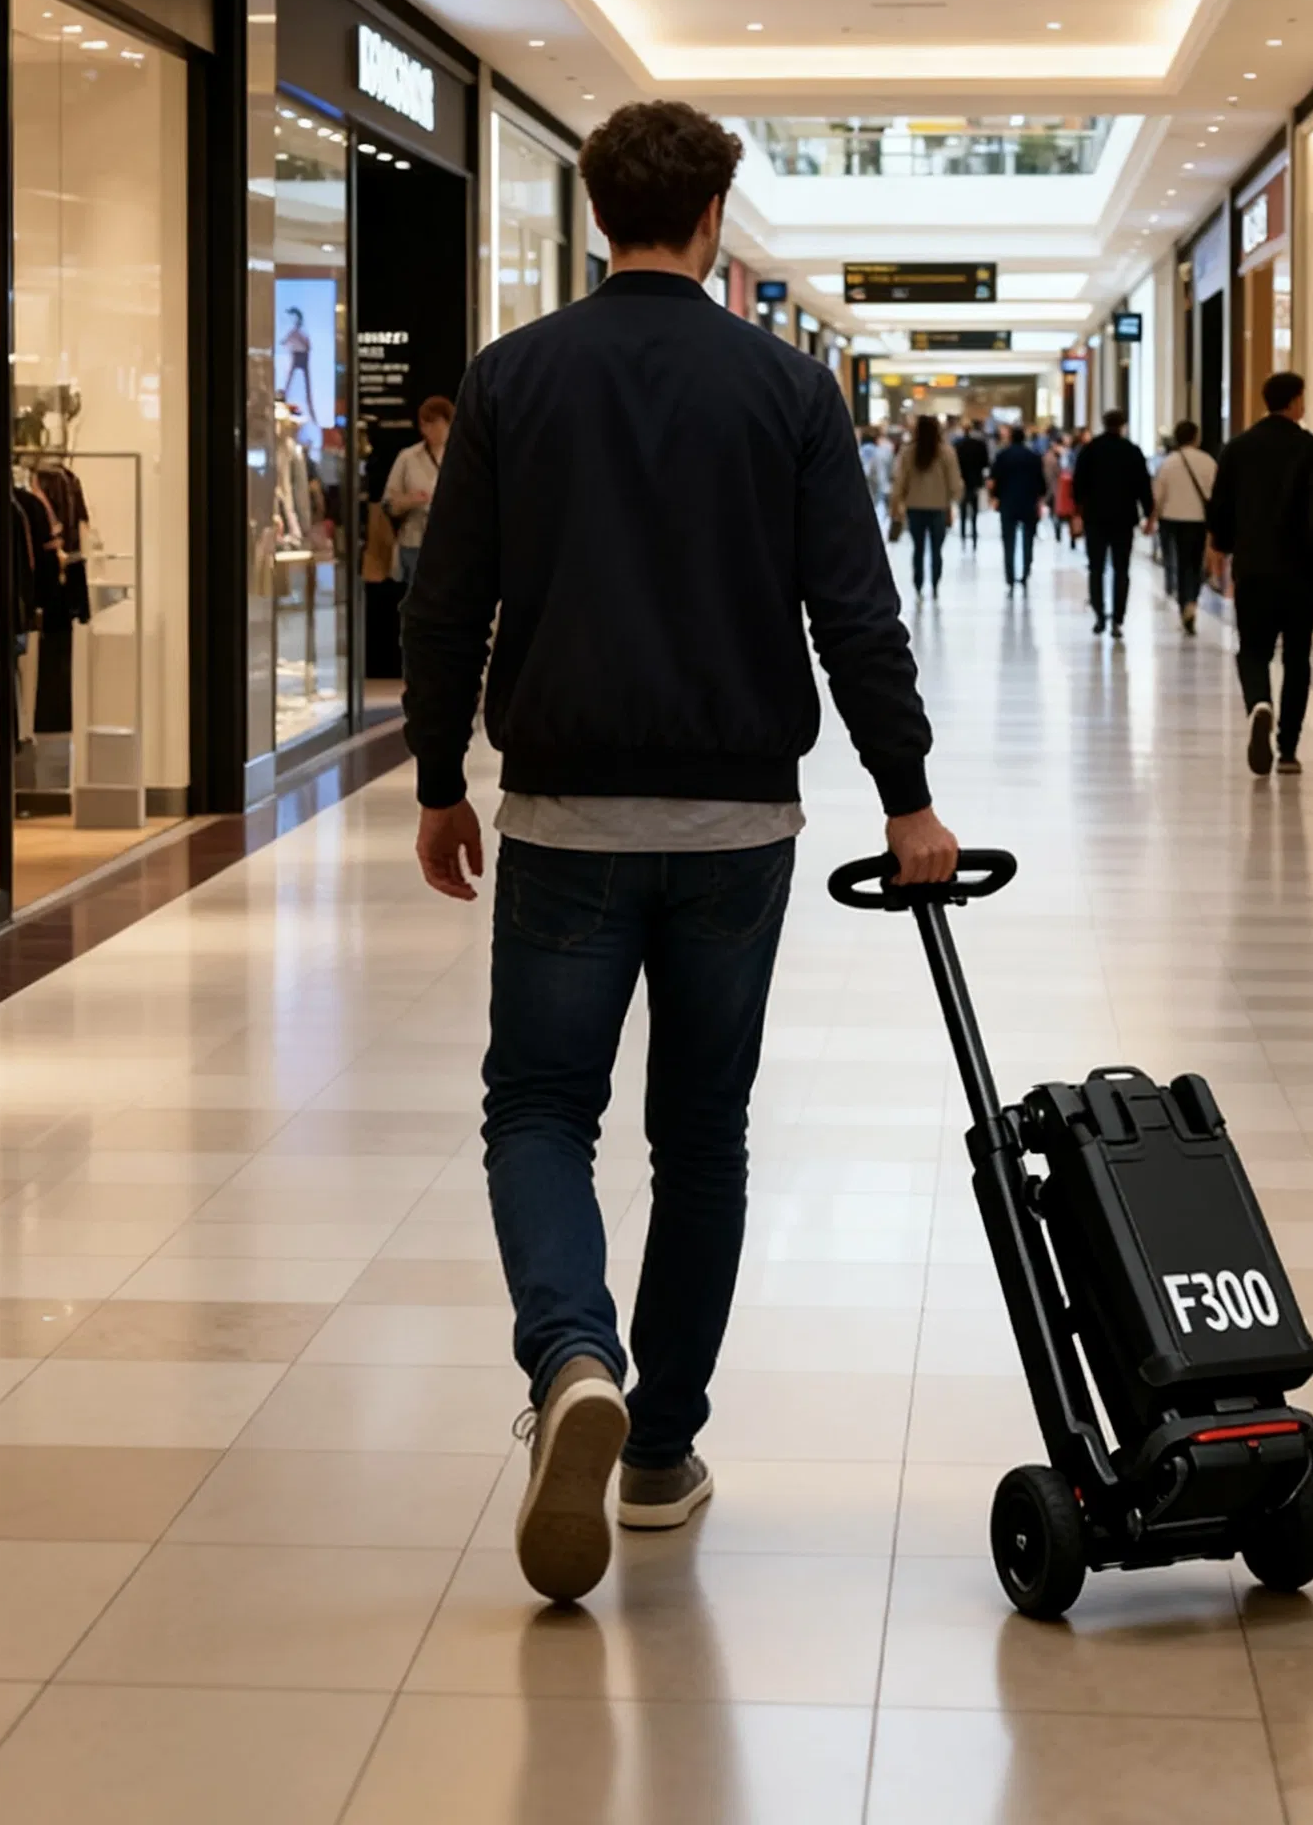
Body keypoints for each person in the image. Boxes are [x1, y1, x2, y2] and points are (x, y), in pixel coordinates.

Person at [400, 99, 959, 1606]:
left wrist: (441, 779)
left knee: (539, 1109)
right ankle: (657, 1452)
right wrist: (907, 796)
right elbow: (854, 610)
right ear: (714, 218)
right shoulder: (786, 388)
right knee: (702, 1138)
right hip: (735, 826)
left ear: (599, 216)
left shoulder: (511, 378)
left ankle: (573, 1355)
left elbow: (446, 605)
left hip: (565, 817)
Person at [1206, 371, 1313, 777]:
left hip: (1254, 568)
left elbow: (1220, 506)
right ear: (1295, 402)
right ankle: (1288, 749)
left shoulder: (1238, 448)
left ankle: (1259, 702)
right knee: (1297, 657)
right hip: (1302, 571)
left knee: (1253, 650)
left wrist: (1221, 547)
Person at [1070, 409, 1155, 639]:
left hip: (1095, 518)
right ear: (1123, 425)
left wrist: (1078, 511)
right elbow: (1143, 486)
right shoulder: (1132, 451)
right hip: (1123, 519)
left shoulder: (1090, 450)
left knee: (1095, 568)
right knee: (1121, 569)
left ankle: (1099, 615)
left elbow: (1078, 484)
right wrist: (1149, 515)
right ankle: (1118, 618)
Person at [1152, 418, 1219, 637]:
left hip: (1172, 520)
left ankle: (1184, 605)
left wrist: (1153, 519)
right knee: (1195, 563)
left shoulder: (1168, 463)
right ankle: (1192, 601)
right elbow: (1217, 493)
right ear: (1196, 438)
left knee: (1180, 564)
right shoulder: (1207, 461)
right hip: (1198, 520)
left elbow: (1158, 495)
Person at [382, 394, 455, 585]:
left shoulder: (463, 458)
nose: (428, 430)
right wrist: (409, 501)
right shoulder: (408, 457)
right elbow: (388, 504)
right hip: (415, 544)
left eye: (435, 424)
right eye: (424, 424)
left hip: (453, 544)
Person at [891, 412, 962, 598]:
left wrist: (896, 503)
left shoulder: (908, 452)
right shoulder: (946, 452)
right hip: (939, 507)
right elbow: (955, 482)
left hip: (914, 507)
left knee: (918, 549)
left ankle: (918, 584)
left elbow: (900, 481)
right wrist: (954, 499)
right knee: (936, 550)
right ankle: (935, 584)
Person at [988, 424, 1046, 590]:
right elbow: (1041, 482)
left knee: (1009, 540)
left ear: (1011, 437)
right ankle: (1025, 572)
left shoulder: (1003, 456)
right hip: (1028, 503)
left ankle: (1010, 576)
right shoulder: (1033, 456)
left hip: (1008, 502)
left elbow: (994, 479)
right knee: (1028, 540)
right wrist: (1039, 499)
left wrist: (995, 497)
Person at [953, 418, 989, 546]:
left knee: (963, 509)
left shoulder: (958, 445)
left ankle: (963, 534)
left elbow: (954, 465)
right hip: (975, 481)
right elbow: (985, 462)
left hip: (962, 481)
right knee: (974, 509)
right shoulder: (979, 444)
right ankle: (973, 533)